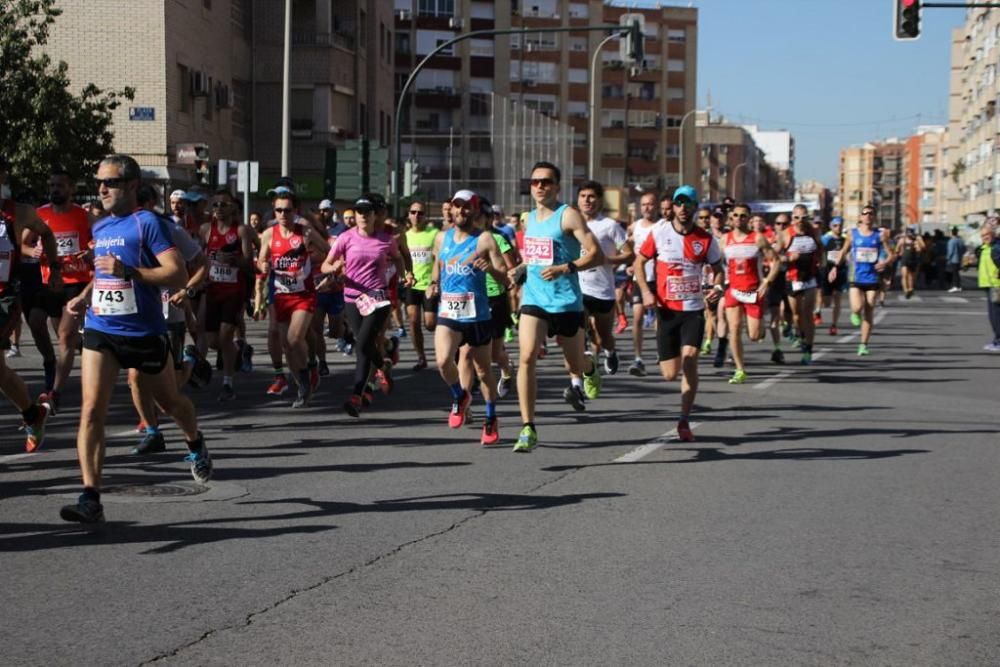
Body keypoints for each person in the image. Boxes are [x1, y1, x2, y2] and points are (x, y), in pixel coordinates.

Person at [60, 154, 210, 525]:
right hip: (102, 328)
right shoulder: (100, 228)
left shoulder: (149, 224)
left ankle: (194, 441)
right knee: (92, 408)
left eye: (108, 182)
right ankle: (90, 496)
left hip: (144, 332)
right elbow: (105, 272)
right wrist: (85, 295)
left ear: (129, 185)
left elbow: (176, 273)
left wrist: (131, 271)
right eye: (98, 182)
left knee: (171, 402)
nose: (101, 189)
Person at [509, 161, 604, 452]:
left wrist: (566, 268)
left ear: (557, 186)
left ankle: (589, 368)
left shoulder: (569, 216)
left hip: (565, 302)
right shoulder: (527, 219)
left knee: (573, 364)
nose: (540, 186)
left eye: (546, 182)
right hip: (535, 300)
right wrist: (520, 268)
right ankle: (528, 427)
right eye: (535, 181)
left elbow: (597, 255)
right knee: (526, 357)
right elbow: (536, 256)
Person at [635, 185, 723, 442]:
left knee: (690, 358)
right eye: (679, 203)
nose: (683, 208)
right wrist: (646, 292)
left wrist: (717, 287)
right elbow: (639, 263)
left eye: (688, 203)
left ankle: (684, 420)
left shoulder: (705, 239)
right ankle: (671, 368)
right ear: (673, 206)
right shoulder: (659, 232)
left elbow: (718, 269)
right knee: (669, 374)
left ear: (695, 207)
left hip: (693, 309)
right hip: (666, 310)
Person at [130, 184, 208, 454]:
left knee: (169, 391)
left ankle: (189, 360)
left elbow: (202, 264)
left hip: (169, 314)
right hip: (138, 316)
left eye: (142, 201)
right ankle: (152, 431)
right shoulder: (121, 229)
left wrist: (187, 293)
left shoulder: (169, 229)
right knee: (135, 377)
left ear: (152, 203)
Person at [427, 191, 508, 445]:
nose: (460, 211)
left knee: (483, 371)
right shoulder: (441, 238)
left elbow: (505, 279)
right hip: (449, 312)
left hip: (478, 315)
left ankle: (491, 417)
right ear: (451, 209)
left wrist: (491, 270)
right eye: (457, 206)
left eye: (466, 207)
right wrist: (433, 283)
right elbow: (438, 264)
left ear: (474, 210)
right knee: (442, 361)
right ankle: (459, 396)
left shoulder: (485, 240)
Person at [323, 193, 411, 416]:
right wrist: (331, 270)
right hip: (352, 297)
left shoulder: (386, 239)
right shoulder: (345, 238)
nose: (362, 216)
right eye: (359, 212)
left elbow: (399, 257)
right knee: (363, 344)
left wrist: (404, 276)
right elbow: (326, 264)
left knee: (362, 344)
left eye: (367, 212)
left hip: (378, 296)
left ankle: (356, 396)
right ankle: (382, 366)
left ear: (374, 216)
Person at [34, 169, 94, 409]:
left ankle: (55, 393)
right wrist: (34, 251)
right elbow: (24, 242)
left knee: (64, 336)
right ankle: (56, 359)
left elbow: (97, 240)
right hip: (50, 281)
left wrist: (92, 249)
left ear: (71, 189)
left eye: (60, 185)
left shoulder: (84, 215)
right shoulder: (40, 214)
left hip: (77, 282)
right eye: (52, 185)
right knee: (39, 324)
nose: (55, 189)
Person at [199, 189, 254, 401]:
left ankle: (227, 383)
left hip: (233, 291)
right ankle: (239, 348)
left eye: (224, 204)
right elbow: (199, 256)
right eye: (216, 205)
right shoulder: (206, 230)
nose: (219, 209)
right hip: (212, 290)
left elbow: (248, 262)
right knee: (213, 341)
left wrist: (233, 260)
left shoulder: (241, 231)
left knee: (224, 337)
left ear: (232, 207)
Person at [719, 203, 778, 384]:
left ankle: (760, 330)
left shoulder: (757, 238)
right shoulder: (725, 239)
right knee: (734, 329)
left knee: (753, 335)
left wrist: (767, 282)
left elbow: (775, 261)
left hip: (753, 292)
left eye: (743, 216)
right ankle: (740, 369)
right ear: (731, 218)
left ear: (749, 218)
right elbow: (715, 262)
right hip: (733, 291)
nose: (739, 219)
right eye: (735, 215)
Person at [577, 180, 630, 376]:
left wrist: (606, 259)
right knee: (579, 329)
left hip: (602, 290)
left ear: (599, 200)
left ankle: (610, 351)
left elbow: (629, 254)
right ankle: (586, 363)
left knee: (603, 336)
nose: (587, 200)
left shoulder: (609, 226)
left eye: (591, 196)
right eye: (582, 196)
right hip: (578, 289)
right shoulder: (572, 224)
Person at [829, 206, 894, 356]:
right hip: (856, 277)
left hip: (872, 277)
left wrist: (884, 263)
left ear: (874, 217)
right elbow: (843, 251)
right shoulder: (853, 234)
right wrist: (835, 268)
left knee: (870, 308)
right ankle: (855, 313)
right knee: (858, 306)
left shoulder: (880, 235)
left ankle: (863, 344)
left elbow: (891, 254)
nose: (868, 216)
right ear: (860, 217)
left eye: (871, 213)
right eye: (865, 213)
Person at [778, 205, 822, 364]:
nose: (800, 221)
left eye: (803, 218)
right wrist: (788, 259)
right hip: (792, 279)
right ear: (792, 218)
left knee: (808, 315)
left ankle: (808, 350)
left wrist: (821, 265)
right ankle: (800, 334)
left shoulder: (814, 232)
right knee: (797, 315)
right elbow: (775, 256)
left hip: (810, 279)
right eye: (797, 218)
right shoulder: (785, 234)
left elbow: (821, 250)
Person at [627, 191, 663, 376]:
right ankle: (638, 358)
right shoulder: (634, 227)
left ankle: (661, 350)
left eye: (650, 204)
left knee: (660, 318)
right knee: (638, 316)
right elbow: (627, 248)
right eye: (644, 205)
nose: (647, 208)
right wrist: (629, 265)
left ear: (656, 206)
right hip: (640, 279)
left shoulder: (663, 226)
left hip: (659, 279)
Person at [404, 200, 438, 370]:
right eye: (413, 212)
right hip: (412, 284)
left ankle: (447, 338)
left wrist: (436, 280)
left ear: (426, 216)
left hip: (429, 285)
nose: (417, 215)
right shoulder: (405, 236)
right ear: (408, 214)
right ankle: (421, 357)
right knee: (413, 320)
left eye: (420, 213)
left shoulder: (434, 234)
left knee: (430, 324)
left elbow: (440, 257)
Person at [818, 217, 847, 335]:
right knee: (827, 302)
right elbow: (819, 251)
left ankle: (834, 325)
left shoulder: (846, 240)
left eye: (840, 225)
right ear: (831, 226)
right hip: (827, 272)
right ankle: (818, 311)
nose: (838, 228)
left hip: (840, 272)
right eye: (835, 225)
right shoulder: (826, 239)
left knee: (837, 298)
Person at [978, 222, 1000, 351]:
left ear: (993, 234)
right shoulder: (986, 247)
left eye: (986, 235)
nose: (984, 237)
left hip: (996, 286)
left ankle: (999, 341)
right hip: (989, 284)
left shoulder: (996, 247)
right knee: (994, 316)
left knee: (996, 316)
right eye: (982, 235)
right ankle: (997, 340)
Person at [896, 225, 925, 299]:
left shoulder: (916, 240)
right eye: (908, 233)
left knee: (911, 276)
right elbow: (897, 248)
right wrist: (898, 253)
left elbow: (923, 247)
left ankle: (910, 289)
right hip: (904, 259)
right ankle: (906, 290)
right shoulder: (903, 240)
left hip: (913, 260)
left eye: (911, 233)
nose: (910, 234)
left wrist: (919, 240)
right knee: (904, 274)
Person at [946, 226, 966, 292]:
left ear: (951, 233)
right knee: (957, 273)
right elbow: (964, 249)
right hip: (959, 259)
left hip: (953, 260)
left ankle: (955, 286)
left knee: (954, 273)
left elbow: (950, 252)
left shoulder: (951, 241)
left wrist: (947, 258)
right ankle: (959, 286)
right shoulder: (961, 240)